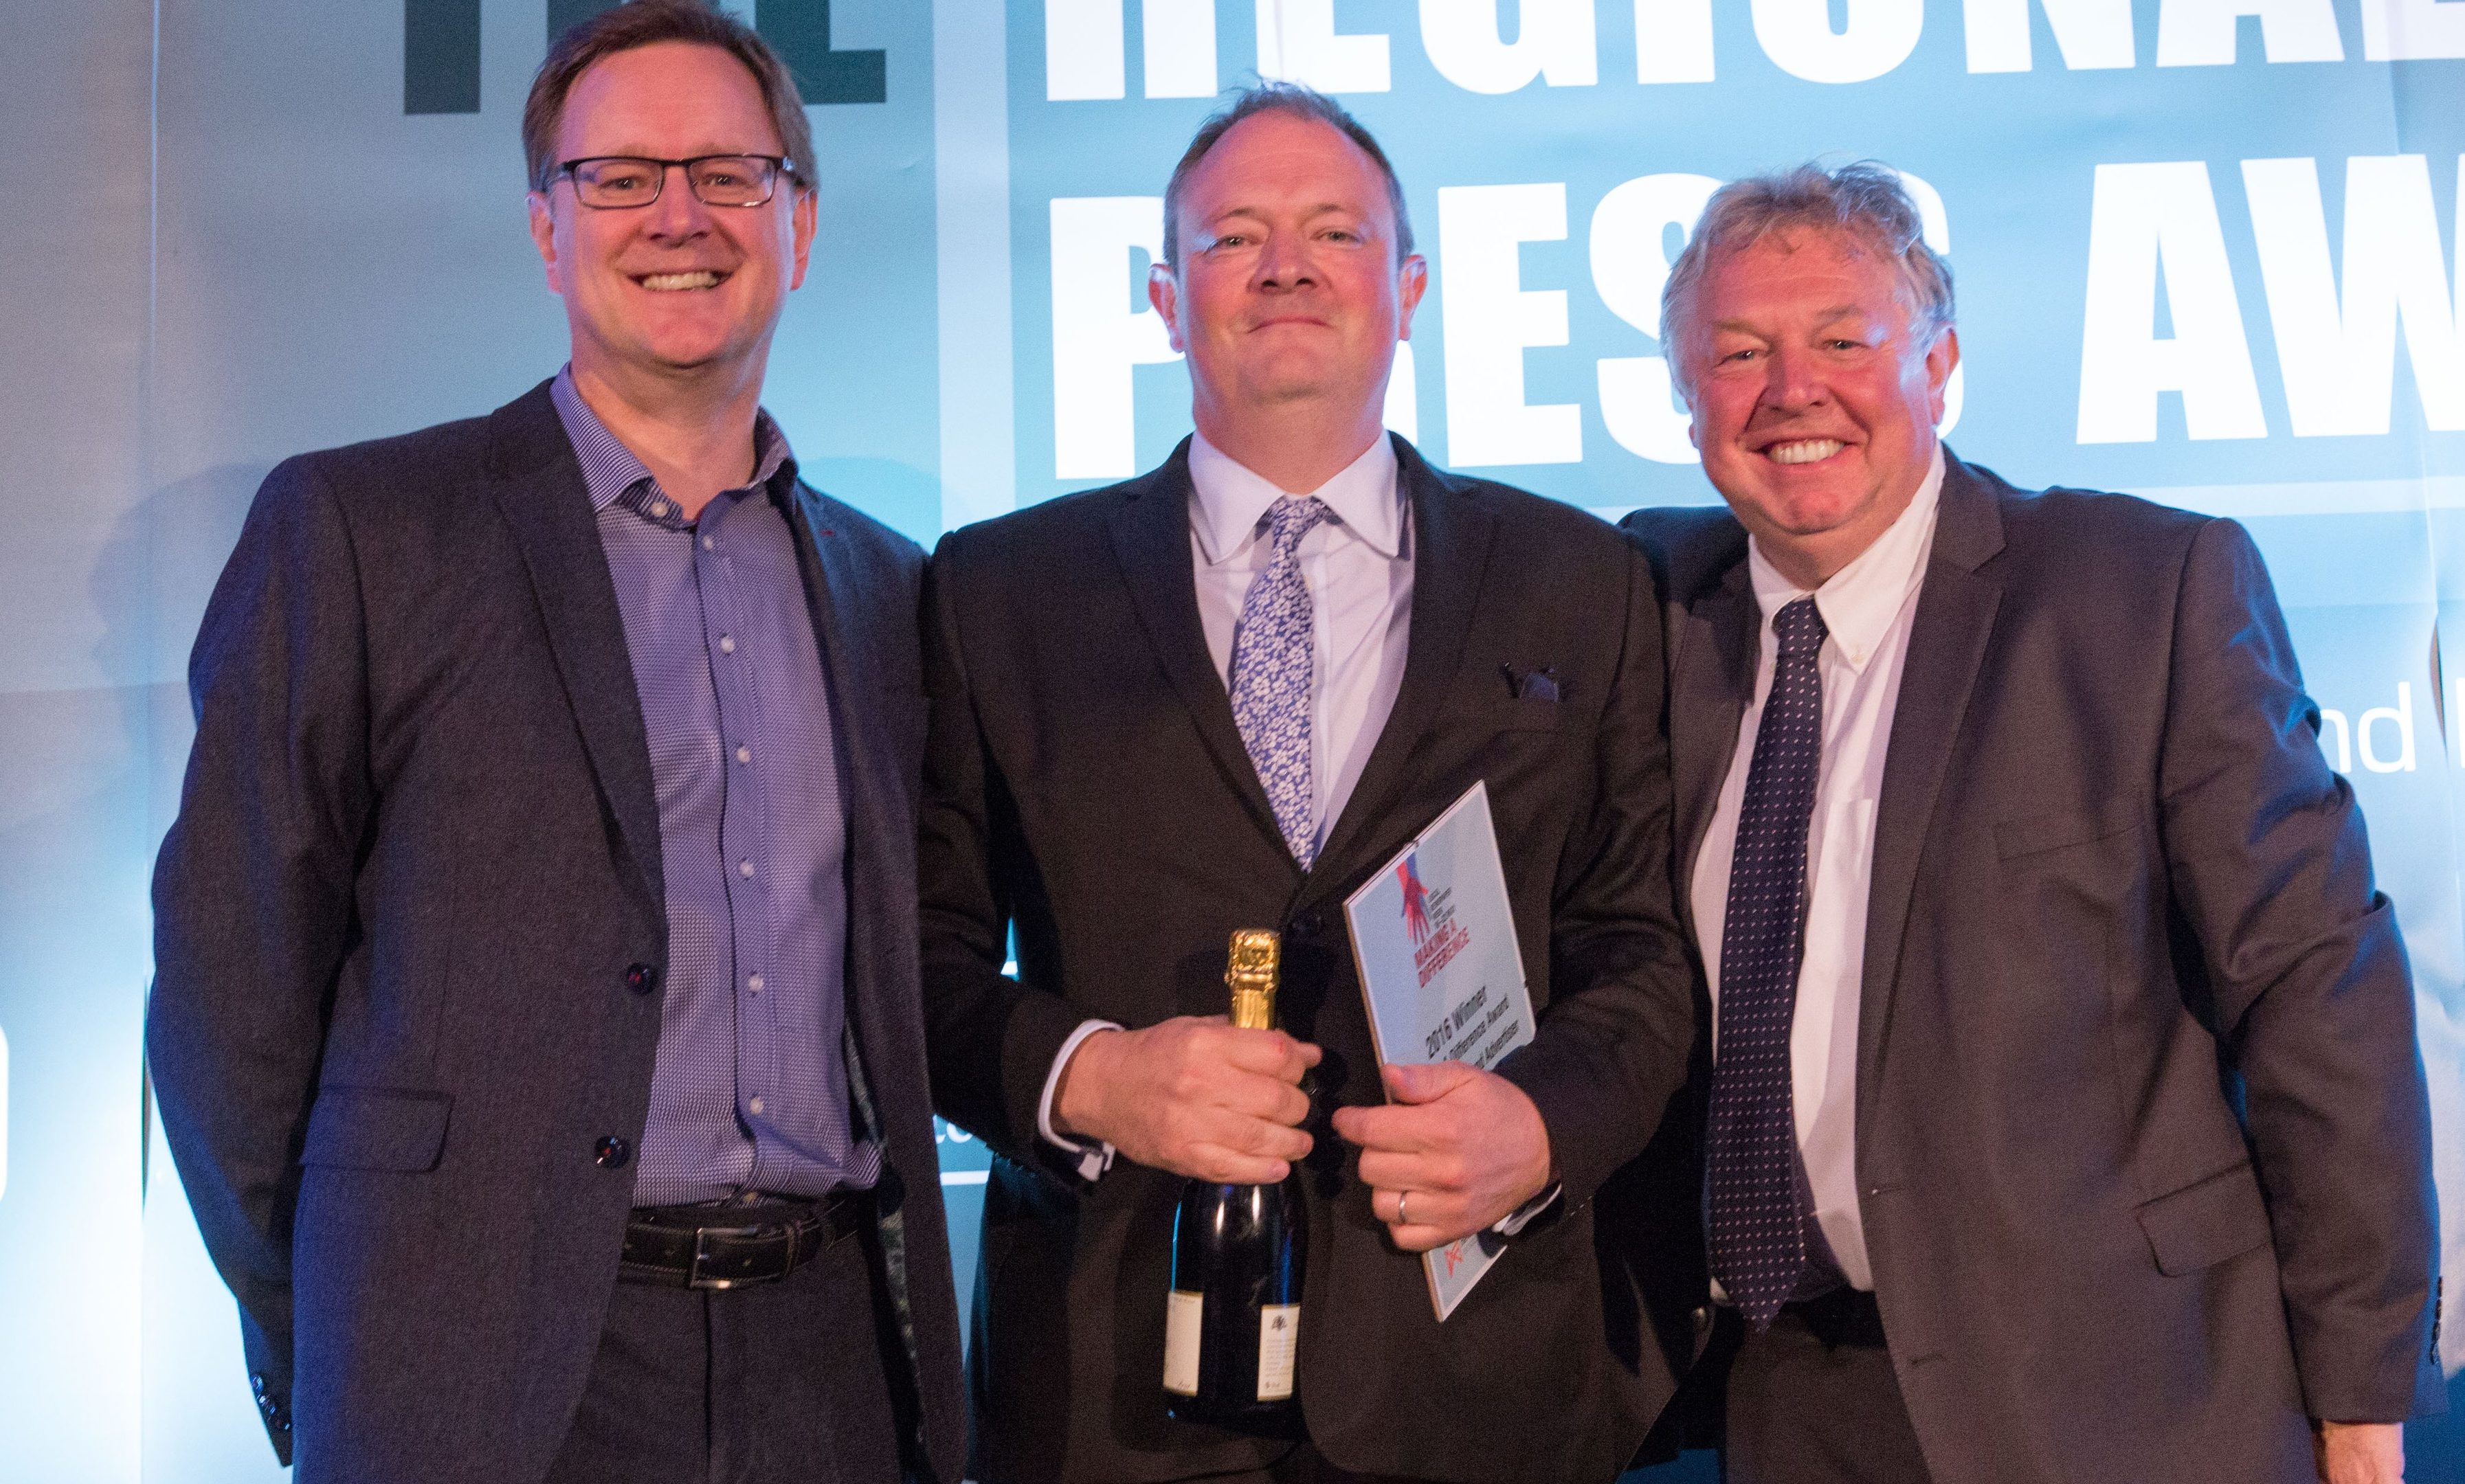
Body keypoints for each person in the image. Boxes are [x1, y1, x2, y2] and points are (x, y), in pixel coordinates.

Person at [146, 3, 963, 1480]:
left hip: (829, 1365)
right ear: (543, 225)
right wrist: (342, 1329)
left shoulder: (891, 589)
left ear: (801, 223)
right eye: (618, 177)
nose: (678, 216)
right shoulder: (362, 533)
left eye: (729, 174)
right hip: (478, 1374)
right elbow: (228, 998)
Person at [918, 83, 1699, 1484]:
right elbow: (912, 960)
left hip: (1476, 1377)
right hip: (1108, 1387)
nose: (1286, 263)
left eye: (1333, 232)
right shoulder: (994, 590)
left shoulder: (1583, 584)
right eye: (1235, 236)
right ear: (1166, 299)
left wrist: (1541, 1122)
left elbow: (1638, 947)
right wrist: (1092, 1081)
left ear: (1407, 288)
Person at [1620, 161, 2443, 1484]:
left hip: (2131, 1397)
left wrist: (2360, 1396)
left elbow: (2316, 992)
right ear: (1685, 399)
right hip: (1790, 1400)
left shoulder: (2141, 594)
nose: (1793, 390)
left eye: (1845, 339)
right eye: (1736, 352)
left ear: (1938, 366)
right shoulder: (1649, 611)